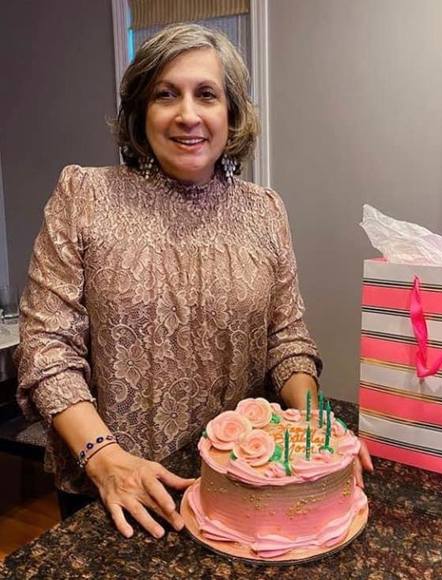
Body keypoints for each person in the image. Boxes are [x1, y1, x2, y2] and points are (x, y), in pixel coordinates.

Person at [15, 23, 372, 539]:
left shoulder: (264, 211)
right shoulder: (85, 196)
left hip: (243, 489)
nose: (188, 115)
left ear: (232, 113)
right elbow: (47, 347)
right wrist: (105, 459)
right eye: (166, 95)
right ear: (141, 112)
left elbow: (286, 338)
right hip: (116, 491)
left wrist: (320, 427)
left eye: (206, 94)